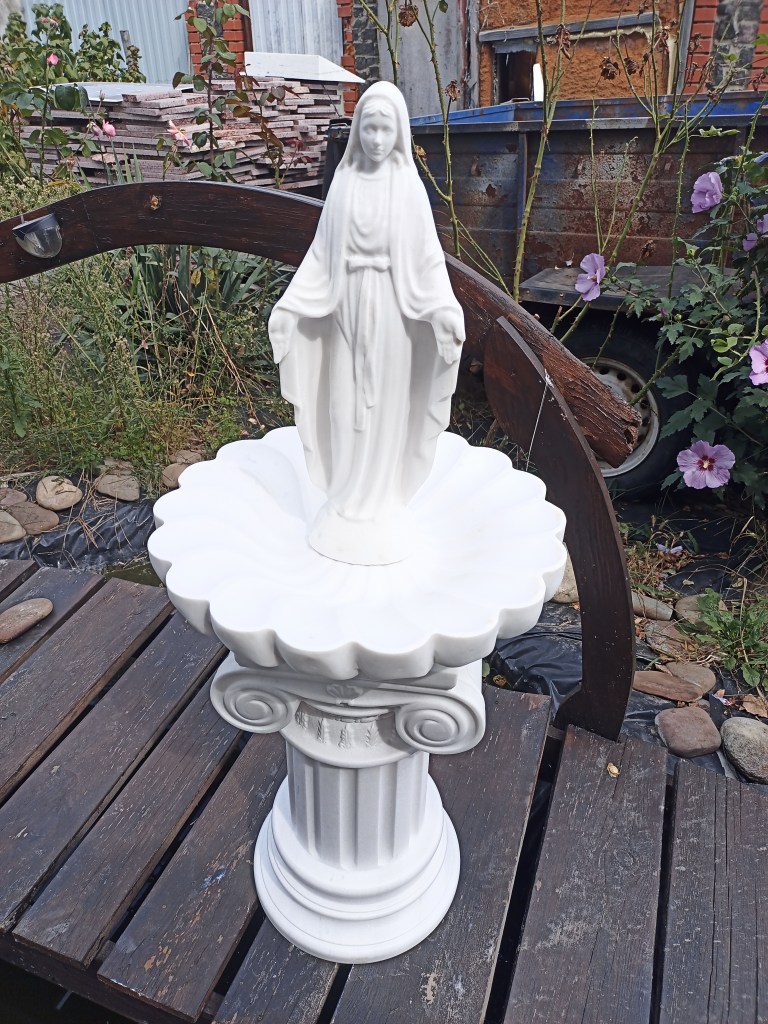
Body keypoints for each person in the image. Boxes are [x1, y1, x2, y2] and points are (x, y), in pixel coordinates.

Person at [268, 81, 465, 565]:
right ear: (358, 131)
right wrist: (290, 307)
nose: (376, 139)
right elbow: (321, 255)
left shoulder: (408, 188)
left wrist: (443, 309)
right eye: (369, 129)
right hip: (347, 307)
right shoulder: (345, 183)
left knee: (387, 406)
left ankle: (380, 503)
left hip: (395, 315)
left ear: (398, 134)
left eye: (385, 130)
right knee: (345, 401)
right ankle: (346, 498)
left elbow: (428, 259)